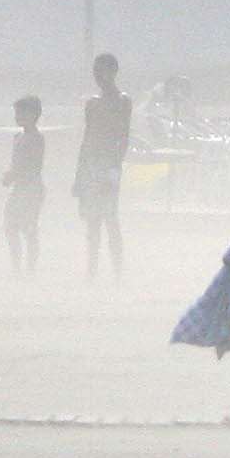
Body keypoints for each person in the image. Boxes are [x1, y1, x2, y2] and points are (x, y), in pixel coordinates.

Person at [75, 53, 134, 285]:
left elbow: (123, 136)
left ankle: (117, 272)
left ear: (114, 71)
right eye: (95, 72)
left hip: (110, 166)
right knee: (92, 221)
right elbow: (87, 137)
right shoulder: (92, 103)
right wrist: (79, 174)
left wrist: (114, 166)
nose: (98, 76)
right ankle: (92, 270)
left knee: (110, 218)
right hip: (91, 165)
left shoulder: (123, 101)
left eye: (103, 71)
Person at [2, 95, 47, 275]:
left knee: (29, 228)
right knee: (10, 227)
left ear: (35, 114)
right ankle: (16, 267)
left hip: (31, 188)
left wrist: (11, 175)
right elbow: (16, 163)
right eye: (17, 112)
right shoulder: (18, 137)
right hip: (18, 188)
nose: (18, 115)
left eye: (23, 112)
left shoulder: (36, 138)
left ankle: (30, 269)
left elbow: (30, 165)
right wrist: (11, 175)